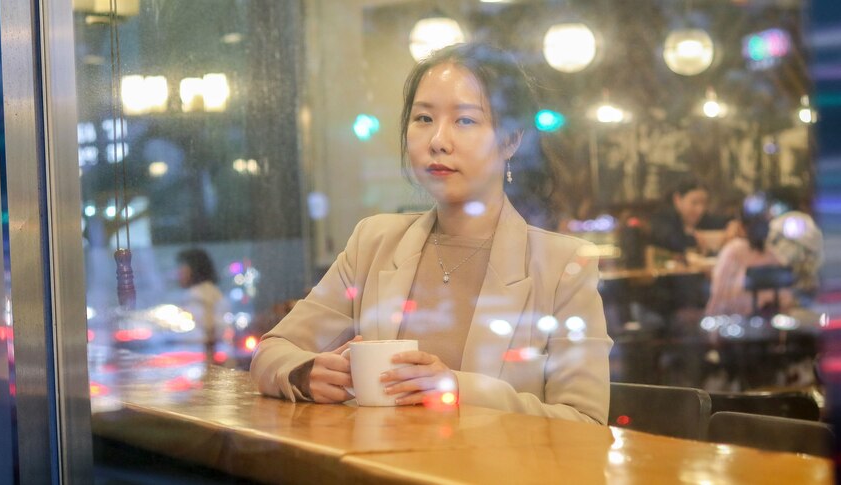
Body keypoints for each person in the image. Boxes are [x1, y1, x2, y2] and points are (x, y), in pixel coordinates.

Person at [250, 43, 611, 424]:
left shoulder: (562, 264)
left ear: (511, 140)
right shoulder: (374, 241)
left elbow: (585, 422)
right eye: (423, 119)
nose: (438, 140)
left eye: (465, 121)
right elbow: (272, 351)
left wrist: (457, 390)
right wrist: (306, 373)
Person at [705, 197, 793, 317]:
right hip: (768, 328)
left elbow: (720, 297)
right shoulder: (772, 254)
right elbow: (786, 299)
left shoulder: (733, 251)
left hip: (736, 326)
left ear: (741, 226)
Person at [176, 248, 228, 364]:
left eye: (182, 267)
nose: (178, 272)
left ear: (194, 269)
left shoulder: (196, 297)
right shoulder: (212, 292)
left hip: (202, 363)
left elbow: (195, 337)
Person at [648, 179, 711, 254]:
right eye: (694, 203)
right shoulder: (662, 219)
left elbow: (721, 222)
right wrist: (694, 240)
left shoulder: (704, 219)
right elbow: (673, 242)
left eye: (704, 203)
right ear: (677, 199)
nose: (700, 210)